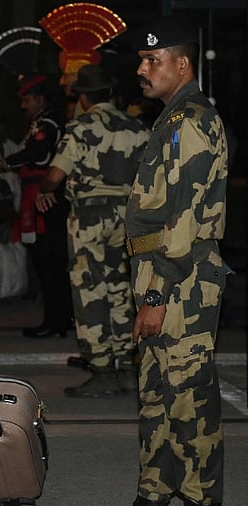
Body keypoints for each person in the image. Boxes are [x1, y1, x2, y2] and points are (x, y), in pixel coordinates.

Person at [128, 19, 231, 506]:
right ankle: (158, 487)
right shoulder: (171, 118)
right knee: (157, 394)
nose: (142, 69)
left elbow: (185, 218)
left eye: (153, 60)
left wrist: (155, 293)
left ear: (182, 63)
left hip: (181, 281)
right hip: (162, 274)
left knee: (188, 400)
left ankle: (198, 495)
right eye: (142, 60)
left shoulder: (190, 120)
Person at [35, 64, 149, 398]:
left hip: (90, 217)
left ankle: (100, 369)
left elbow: (56, 175)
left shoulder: (81, 126)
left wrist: (45, 189)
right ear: (111, 93)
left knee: (89, 292)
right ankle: (128, 367)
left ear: (83, 97)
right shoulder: (138, 127)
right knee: (122, 290)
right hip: (129, 217)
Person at [0, 75, 72, 337]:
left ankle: (55, 320)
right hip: (36, 194)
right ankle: (58, 318)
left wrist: (6, 163)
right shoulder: (41, 122)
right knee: (47, 260)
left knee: (49, 261)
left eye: (26, 99)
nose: (23, 105)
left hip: (44, 195)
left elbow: (38, 152)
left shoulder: (48, 123)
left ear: (39, 99)